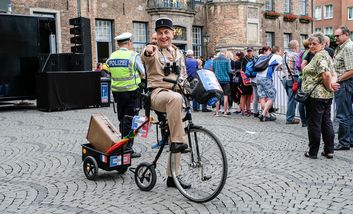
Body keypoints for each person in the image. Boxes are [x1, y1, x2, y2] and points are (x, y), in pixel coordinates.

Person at [141, 18, 191, 189]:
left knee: (177, 132)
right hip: (157, 94)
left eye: (166, 32)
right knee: (179, 138)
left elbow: (183, 75)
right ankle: (178, 141)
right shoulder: (153, 50)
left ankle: (173, 177)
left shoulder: (178, 52)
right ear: (156, 35)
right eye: (160, 33)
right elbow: (146, 56)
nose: (163, 36)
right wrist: (147, 50)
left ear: (172, 33)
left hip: (176, 97)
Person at [105, 32, 145, 158]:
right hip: (132, 93)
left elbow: (106, 70)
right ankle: (127, 149)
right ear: (128, 43)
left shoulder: (112, 56)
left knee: (122, 119)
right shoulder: (133, 55)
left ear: (118, 44)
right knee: (132, 121)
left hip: (118, 93)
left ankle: (123, 144)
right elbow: (143, 73)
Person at [302, 33, 339, 159]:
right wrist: (331, 86)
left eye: (314, 44)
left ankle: (312, 152)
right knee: (325, 122)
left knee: (314, 124)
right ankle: (329, 150)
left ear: (322, 44)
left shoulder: (320, 56)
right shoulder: (326, 55)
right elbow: (334, 74)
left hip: (316, 96)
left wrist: (329, 86)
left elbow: (327, 75)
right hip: (325, 96)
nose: (311, 46)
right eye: (310, 44)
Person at [333, 26, 353, 151]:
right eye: (335, 36)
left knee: (343, 114)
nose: (335, 38)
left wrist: (338, 79)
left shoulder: (348, 48)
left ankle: (344, 142)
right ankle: (349, 140)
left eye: (337, 36)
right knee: (348, 114)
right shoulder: (343, 47)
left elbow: (351, 70)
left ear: (346, 34)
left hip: (345, 83)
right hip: (346, 83)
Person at [256, 46, 282, 121]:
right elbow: (280, 66)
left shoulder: (262, 56)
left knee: (262, 96)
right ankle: (263, 114)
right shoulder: (277, 57)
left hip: (258, 77)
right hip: (266, 77)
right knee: (272, 96)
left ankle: (266, 115)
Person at [282, 40, 300, 124]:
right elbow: (298, 68)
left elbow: (283, 67)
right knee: (292, 100)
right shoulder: (295, 55)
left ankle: (289, 117)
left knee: (290, 99)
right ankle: (290, 118)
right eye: (298, 46)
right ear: (295, 47)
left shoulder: (284, 55)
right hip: (293, 79)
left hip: (286, 78)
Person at [213, 49, 232, 116]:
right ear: (225, 53)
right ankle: (225, 112)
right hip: (226, 80)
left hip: (217, 80)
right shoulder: (227, 60)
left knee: (217, 96)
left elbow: (213, 70)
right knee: (225, 96)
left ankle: (217, 112)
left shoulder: (214, 60)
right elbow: (229, 71)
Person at [242, 47, 259, 117]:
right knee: (244, 95)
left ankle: (249, 109)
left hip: (252, 78)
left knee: (250, 94)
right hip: (246, 78)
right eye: (248, 51)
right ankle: (244, 110)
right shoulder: (244, 59)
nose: (249, 53)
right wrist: (248, 71)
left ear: (252, 51)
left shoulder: (255, 58)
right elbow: (242, 68)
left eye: (250, 51)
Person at [297, 39, 310, 127]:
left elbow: (298, 65)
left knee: (301, 99)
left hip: (300, 77)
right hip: (305, 78)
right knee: (306, 100)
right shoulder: (308, 53)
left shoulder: (301, 53)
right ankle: (306, 121)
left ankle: (303, 121)